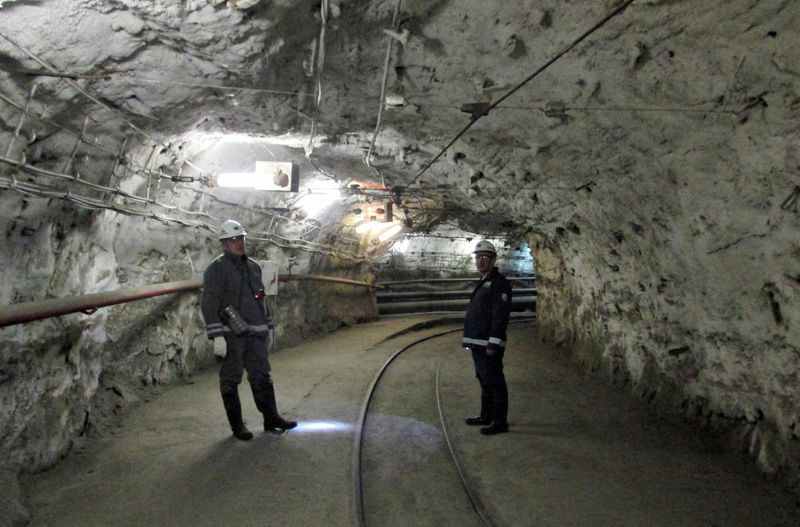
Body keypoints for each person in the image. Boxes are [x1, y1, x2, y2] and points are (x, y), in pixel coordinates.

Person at [201, 219, 297, 440]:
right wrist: (217, 335)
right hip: (231, 333)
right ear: (224, 244)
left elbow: (261, 297)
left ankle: (271, 418)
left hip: (256, 331)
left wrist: (269, 325)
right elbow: (210, 303)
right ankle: (238, 427)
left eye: (241, 238)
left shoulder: (253, 266)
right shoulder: (216, 270)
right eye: (233, 240)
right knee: (230, 379)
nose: (238, 243)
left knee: (262, 375)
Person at [462, 240, 512, 435]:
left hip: (487, 343)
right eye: (478, 257)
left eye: (485, 257)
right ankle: (486, 415)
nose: (480, 261)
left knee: (495, 381)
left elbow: (500, 316)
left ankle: (500, 422)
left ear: (493, 260)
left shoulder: (499, 283)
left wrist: (494, 342)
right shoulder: (484, 281)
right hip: (477, 342)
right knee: (483, 379)